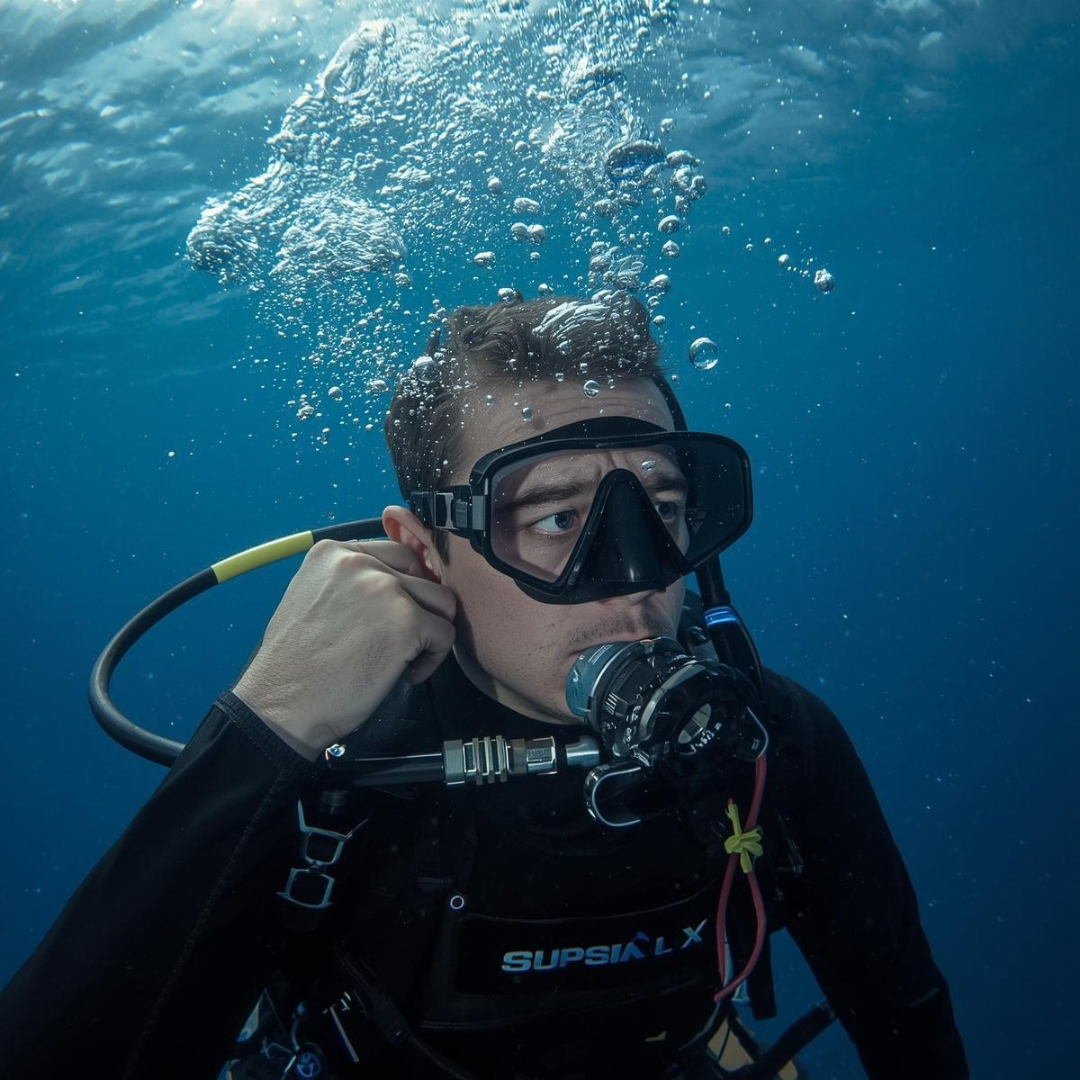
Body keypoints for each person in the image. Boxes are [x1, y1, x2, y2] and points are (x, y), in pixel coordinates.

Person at [0, 292, 967, 1080]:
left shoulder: (768, 745)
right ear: (427, 550)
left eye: (661, 506)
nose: (634, 572)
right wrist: (266, 729)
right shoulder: (335, 769)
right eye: (554, 519)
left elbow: (904, 1011)